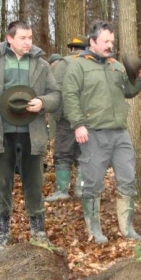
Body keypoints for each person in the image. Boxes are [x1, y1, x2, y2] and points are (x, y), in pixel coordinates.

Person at [0, 21, 60, 254]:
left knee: (35, 183)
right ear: (10, 39)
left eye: (30, 37)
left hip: (33, 133)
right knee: (2, 184)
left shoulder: (41, 65)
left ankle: (38, 231)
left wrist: (43, 102)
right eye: (23, 38)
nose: (28, 42)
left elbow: (56, 95)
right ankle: (2, 233)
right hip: (1, 134)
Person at [62, 20, 141, 244]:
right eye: (106, 41)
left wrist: (140, 78)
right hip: (92, 133)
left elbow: (128, 92)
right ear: (92, 42)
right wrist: (78, 124)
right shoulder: (78, 66)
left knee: (128, 179)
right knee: (92, 183)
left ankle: (127, 228)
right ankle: (94, 230)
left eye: (112, 41)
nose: (110, 45)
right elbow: (69, 96)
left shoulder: (116, 66)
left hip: (119, 132)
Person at [46, 35, 89, 202]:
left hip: (66, 118)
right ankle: (81, 189)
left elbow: (55, 91)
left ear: (71, 48)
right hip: (88, 118)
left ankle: (62, 190)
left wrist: (55, 117)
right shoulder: (93, 64)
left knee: (62, 154)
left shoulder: (62, 64)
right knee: (84, 154)